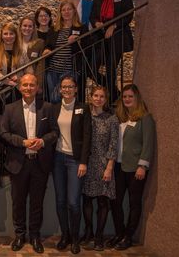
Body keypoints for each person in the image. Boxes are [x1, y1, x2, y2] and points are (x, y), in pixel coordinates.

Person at [0, 74, 58, 254]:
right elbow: (3, 133)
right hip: (18, 163)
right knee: (18, 202)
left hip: (39, 163)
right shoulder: (9, 109)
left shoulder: (47, 108)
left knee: (37, 202)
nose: (28, 88)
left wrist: (43, 141)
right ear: (19, 87)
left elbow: (55, 132)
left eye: (32, 85)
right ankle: (20, 235)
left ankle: (34, 235)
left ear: (37, 87)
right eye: (25, 85)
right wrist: (22, 142)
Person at [107, 84, 155, 250]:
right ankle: (120, 233)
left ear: (137, 98)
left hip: (135, 168)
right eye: (125, 97)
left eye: (130, 96)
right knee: (115, 201)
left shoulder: (145, 118)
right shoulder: (119, 117)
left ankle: (128, 236)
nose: (127, 99)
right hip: (118, 167)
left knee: (134, 203)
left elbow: (148, 144)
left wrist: (143, 165)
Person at [53, 74, 92, 254]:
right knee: (60, 201)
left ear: (76, 89)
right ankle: (65, 236)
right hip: (58, 159)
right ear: (60, 90)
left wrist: (83, 162)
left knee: (73, 202)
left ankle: (75, 239)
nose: (67, 89)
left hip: (75, 160)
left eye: (70, 86)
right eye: (64, 87)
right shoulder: (54, 108)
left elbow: (86, 137)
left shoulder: (83, 108)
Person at [81, 86, 118, 251]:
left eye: (102, 96)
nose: (98, 99)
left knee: (103, 202)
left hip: (104, 165)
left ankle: (99, 236)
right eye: (95, 95)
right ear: (91, 97)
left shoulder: (112, 119)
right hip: (87, 164)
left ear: (106, 99)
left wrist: (109, 167)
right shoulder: (85, 116)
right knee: (87, 200)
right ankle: (88, 231)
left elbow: (113, 144)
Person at [90, 0, 134, 104]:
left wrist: (113, 26)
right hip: (101, 38)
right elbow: (93, 17)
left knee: (110, 69)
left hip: (117, 38)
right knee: (91, 67)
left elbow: (128, 16)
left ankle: (110, 102)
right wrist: (96, 23)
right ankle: (114, 92)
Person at [43, 0, 90, 104]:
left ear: (74, 11)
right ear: (60, 13)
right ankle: (57, 120)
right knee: (52, 100)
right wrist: (46, 50)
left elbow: (88, 48)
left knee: (57, 97)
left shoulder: (81, 28)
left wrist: (78, 41)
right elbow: (48, 45)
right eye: (63, 10)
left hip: (70, 69)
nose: (66, 12)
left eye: (69, 9)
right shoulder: (54, 29)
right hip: (52, 69)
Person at [0, 22, 31, 103]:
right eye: (5, 34)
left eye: (11, 34)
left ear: (15, 36)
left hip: (19, 89)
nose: (8, 36)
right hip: (2, 91)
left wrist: (19, 77)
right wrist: (8, 82)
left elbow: (29, 71)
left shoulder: (22, 52)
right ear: (1, 36)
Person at [18, 16, 45, 94]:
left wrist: (39, 84)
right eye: (25, 26)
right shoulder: (15, 43)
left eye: (30, 26)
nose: (27, 28)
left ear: (33, 29)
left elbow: (41, 65)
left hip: (32, 81)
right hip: (17, 80)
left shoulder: (39, 43)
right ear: (20, 27)